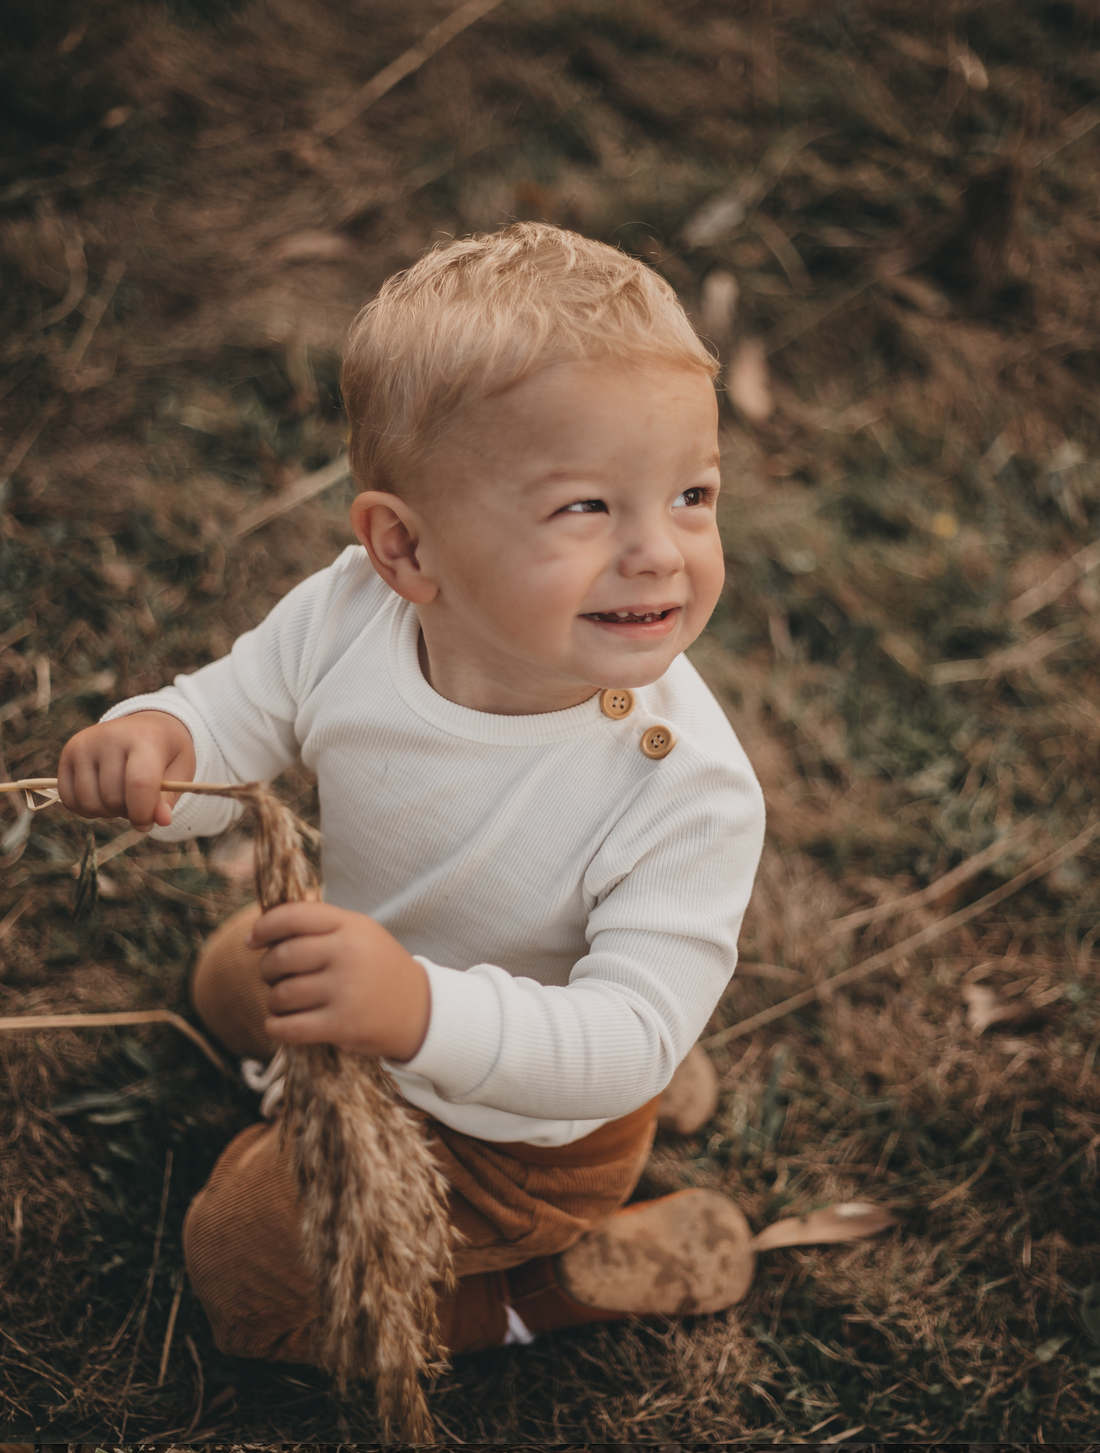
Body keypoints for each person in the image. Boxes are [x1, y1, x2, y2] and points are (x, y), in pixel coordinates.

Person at [57, 223, 766, 1358]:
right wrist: (159, 744)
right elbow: (244, 711)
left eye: (690, 492)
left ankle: (547, 1289)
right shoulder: (354, 612)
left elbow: (620, 1037)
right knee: (228, 973)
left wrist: (417, 1010)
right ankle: (616, 1065)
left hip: (520, 1132)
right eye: (585, 507)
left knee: (246, 1268)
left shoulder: (685, 789)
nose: (659, 552)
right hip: (386, 975)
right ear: (404, 551)